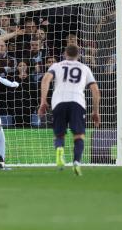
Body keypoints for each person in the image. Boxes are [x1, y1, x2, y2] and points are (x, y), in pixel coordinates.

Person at [38, 45, 101, 176]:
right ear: (79, 55)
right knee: (78, 135)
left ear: (65, 53)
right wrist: (95, 111)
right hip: (77, 102)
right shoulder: (85, 68)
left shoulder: (56, 66)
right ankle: (77, 162)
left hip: (59, 102)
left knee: (59, 134)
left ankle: (60, 150)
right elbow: (95, 91)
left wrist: (43, 101)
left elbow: (45, 80)